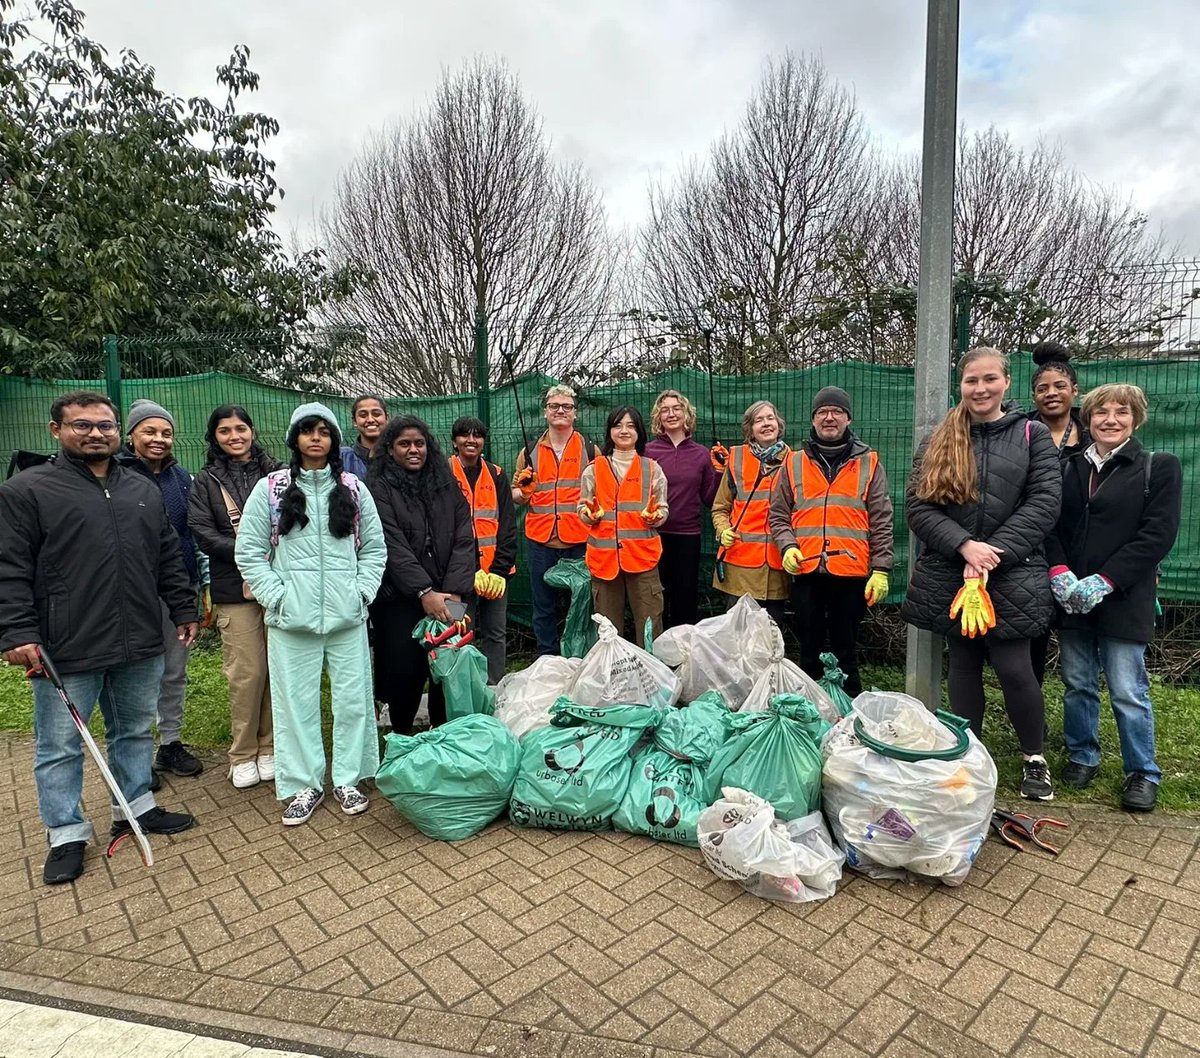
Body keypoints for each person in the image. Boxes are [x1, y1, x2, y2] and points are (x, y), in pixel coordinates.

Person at [0, 391, 197, 885]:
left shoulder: (141, 489)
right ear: (56, 431)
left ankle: (135, 805)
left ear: (117, 432)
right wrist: (18, 632)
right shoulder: (28, 490)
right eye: (82, 425)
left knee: (132, 730)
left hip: (139, 638)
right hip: (67, 643)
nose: (95, 434)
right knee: (59, 745)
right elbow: (10, 569)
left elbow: (168, 555)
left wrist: (182, 607)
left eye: (105, 426)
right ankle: (66, 833)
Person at [901, 348, 1062, 801]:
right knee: (964, 666)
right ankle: (969, 753)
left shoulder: (1033, 435)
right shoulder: (938, 438)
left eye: (990, 379)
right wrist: (964, 546)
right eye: (972, 380)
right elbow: (918, 506)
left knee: (1015, 668)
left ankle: (1034, 757)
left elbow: (1045, 503)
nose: (981, 388)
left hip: (1013, 573)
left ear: (1006, 383)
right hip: (954, 570)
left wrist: (994, 554)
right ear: (961, 384)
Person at [235, 403, 386, 826]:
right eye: (307, 431)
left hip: (346, 618)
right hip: (291, 621)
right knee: (295, 705)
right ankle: (304, 784)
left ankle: (349, 779)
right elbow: (249, 552)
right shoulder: (271, 489)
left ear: (334, 440)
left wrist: (360, 593)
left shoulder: (354, 488)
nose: (316, 438)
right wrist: (276, 596)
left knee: (354, 702)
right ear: (295, 438)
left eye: (324, 431)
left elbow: (374, 548)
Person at [1046, 384, 1182, 812]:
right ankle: (1083, 755)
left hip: (1123, 598)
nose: (1109, 419)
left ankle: (1142, 771)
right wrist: (1059, 571)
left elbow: (1157, 535)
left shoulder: (1157, 468)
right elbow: (1050, 526)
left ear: (1136, 418)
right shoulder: (1068, 468)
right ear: (1087, 419)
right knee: (1078, 684)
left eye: (1120, 412)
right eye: (1100, 412)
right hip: (1072, 599)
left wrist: (1106, 580)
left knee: (1127, 690)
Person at [769, 387, 893, 694]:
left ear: (848, 418)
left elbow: (881, 519)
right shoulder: (793, 463)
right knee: (808, 650)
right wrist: (788, 546)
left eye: (836, 411)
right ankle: (809, 707)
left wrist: (881, 569)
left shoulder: (869, 463)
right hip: (806, 570)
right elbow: (778, 515)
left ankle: (849, 712)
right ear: (813, 420)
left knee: (846, 650)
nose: (829, 417)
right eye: (822, 412)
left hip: (851, 573)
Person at [188, 405, 282, 789]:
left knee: (277, 669)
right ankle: (243, 752)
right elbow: (202, 532)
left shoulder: (276, 474)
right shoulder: (205, 481)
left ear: (253, 431)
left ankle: (271, 746)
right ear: (215, 438)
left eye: (240, 428)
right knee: (248, 673)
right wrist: (248, 553)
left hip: (279, 585)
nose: (234, 436)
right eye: (225, 431)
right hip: (234, 588)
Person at [368, 415, 476, 732]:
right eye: (404, 444)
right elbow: (391, 544)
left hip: (449, 592)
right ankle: (402, 735)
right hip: (401, 598)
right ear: (389, 449)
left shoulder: (446, 485)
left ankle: (445, 735)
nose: (414, 450)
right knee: (405, 670)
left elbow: (464, 537)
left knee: (449, 664)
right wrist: (423, 593)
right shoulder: (379, 488)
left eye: (420, 443)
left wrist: (454, 592)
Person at [116, 398, 205, 781]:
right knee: (133, 675)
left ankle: (170, 744)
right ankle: (133, 758)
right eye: (149, 431)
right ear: (131, 435)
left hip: (176, 591)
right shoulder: (114, 475)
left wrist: (199, 588)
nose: (158, 439)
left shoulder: (182, 480)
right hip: (127, 594)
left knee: (174, 671)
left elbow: (193, 534)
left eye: (166, 433)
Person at [512, 385, 600, 656]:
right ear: (545, 412)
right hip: (541, 539)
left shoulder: (590, 449)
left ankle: (582, 656)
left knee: (584, 605)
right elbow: (516, 495)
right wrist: (522, 492)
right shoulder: (529, 452)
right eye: (554, 406)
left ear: (575, 413)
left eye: (566, 406)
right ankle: (547, 659)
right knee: (543, 606)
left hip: (580, 539)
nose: (560, 410)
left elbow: (602, 492)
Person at [1027, 342, 1091, 685]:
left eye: (1059, 387)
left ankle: (1081, 718)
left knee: (1078, 644)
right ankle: (1033, 717)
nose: (1051, 394)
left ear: (1074, 390)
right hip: (1034, 549)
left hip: (1082, 547)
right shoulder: (1021, 432)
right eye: (1042, 389)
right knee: (1032, 640)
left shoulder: (1097, 434)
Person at [579, 407, 669, 641]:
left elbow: (662, 508)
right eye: (618, 425)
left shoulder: (652, 469)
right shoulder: (593, 469)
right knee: (608, 630)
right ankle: (612, 675)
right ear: (609, 432)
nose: (624, 431)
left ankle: (650, 674)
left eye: (630, 426)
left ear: (639, 432)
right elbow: (582, 509)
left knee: (649, 624)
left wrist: (656, 516)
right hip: (604, 561)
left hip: (643, 559)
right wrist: (591, 515)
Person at [449, 416, 516, 684]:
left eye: (477, 435)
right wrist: (470, 570)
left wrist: (499, 570)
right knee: (456, 632)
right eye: (465, 435)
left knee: (495, 633)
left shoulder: (497, 474)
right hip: (456, 577)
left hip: (496, 575)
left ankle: (493, 687)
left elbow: (508, 527)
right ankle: (459, 689)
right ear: (455, 441)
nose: (471, 440)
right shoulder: (443, 472)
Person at [711, 400, 791, 625]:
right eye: (759, 420)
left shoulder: (795, 461)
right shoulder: (736, 459)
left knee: (770, 637)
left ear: (779, 424)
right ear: (750, 429)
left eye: (770, 418)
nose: (766, 424)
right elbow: (720, 507)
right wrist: (723, 529)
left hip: (776, 566)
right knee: (736, 637)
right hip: (740, 566)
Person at [645, 391, 719, 628]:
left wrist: (718, 472)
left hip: (688, 536)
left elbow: (710, 499)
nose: (671, 413)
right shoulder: (647, 452)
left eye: (676, 408)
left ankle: (684, 654)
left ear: (686, 413)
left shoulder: (701, 454)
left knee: (685, 598)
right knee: (656, 597)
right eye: (665, 409)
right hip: (652, 534)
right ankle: (656, 650)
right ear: (658, 416)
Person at [340, 394, 389, 481]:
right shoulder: (343, 458)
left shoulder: (398, 456)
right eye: (363, 415)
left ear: (387, 418)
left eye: (376, 414)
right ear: (354, 421)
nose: (370, 420)